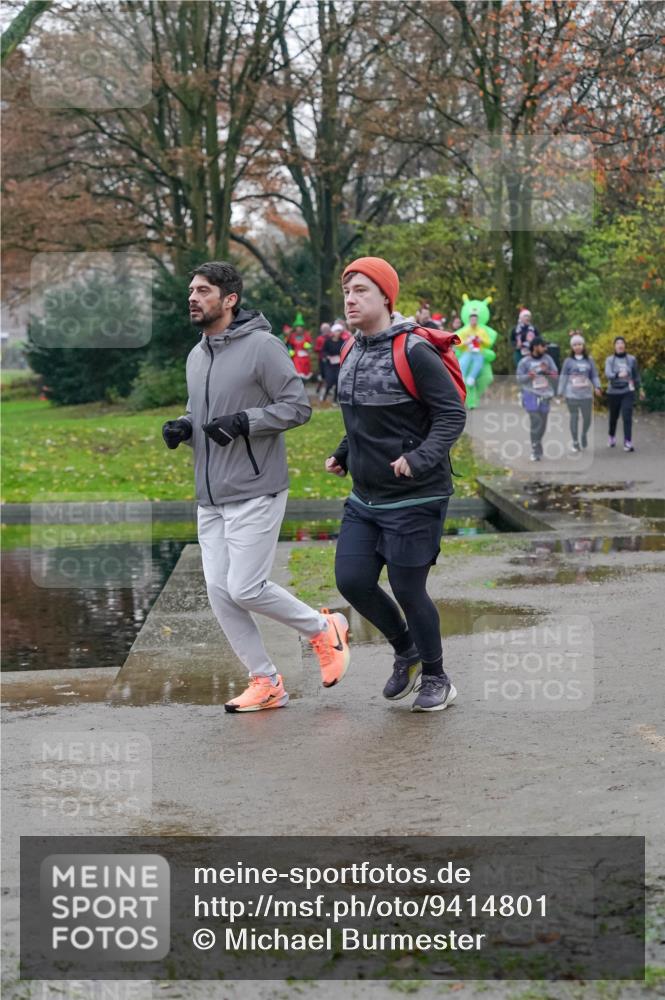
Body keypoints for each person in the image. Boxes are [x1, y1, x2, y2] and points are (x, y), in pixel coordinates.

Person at [161, 261, 350, 713]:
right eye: (191, 290)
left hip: (255, 488)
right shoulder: (197, 353)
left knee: (245, 587)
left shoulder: (263, 346)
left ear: (229, 300)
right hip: (210, 496)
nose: (193, 297)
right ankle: (266, 681)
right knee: (221, 593)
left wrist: (247, 421)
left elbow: (296, 407)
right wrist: (185, 426)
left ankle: (324, 629)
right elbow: (200, 409)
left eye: (203, 291)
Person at [326, 257, 466, 712]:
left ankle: (437, 677)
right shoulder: (351, 349)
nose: (350, 298)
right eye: (347, 290)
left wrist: (420, 458)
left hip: (417, 494)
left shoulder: (414, 351)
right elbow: (364, 416)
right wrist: (344, 453)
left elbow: (451, 414)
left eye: (361, 290)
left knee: (408, 589)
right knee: (352, 580)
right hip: (366, 497)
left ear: (386, 297)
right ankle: (404, 648)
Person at [516, 336, 559, 461]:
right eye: (543, 346)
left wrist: (547, 372)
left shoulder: (548, 359)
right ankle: (535, 449)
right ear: (535, 347)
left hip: (545, 394)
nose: (545, 348)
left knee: (543, 423)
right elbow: (519, 379)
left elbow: (555, 375)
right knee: (536, 420)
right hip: (530, 393)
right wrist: (530, 375)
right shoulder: (525, 362)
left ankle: (537, 443)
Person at [557, 333, 602, 452]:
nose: (577, 346)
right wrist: (560, 391)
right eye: (575, 345)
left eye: (579, 344)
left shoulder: (589, 360)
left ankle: (583, 434)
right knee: (574, 417)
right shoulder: (568, 361)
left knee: (587, 418)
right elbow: (563, 376)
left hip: (586, 394)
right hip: (572, 393)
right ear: (572, 347)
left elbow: (594, 375)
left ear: (583, 345)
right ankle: (575, 442)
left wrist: (597, 387)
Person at [604, 337, 641, 451]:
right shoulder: (610, 360)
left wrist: (640, 389)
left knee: (627, 416)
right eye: (617, 343)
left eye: (622, 343)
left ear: (625, 346)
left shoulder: (631, 359)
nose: (620, 345)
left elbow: (636, 375)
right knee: (613, 417)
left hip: (627, 391)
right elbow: (608, 373)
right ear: (614, 346)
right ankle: (611, 436)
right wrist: (617, 375)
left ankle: (628, 441)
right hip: (613, 391)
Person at [319, 322, 344, 403]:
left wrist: (340, 357)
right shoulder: (328, 341)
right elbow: (323, 351)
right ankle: (324, 395)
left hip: (338, 365)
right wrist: (328, 356)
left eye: (340, 331)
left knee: (338, 381)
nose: (338, 333)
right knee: (329, 381)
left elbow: (344, 351)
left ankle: (335, 399)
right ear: (333, 332)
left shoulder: (342, 342)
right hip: (329, 365)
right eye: (337, 331)